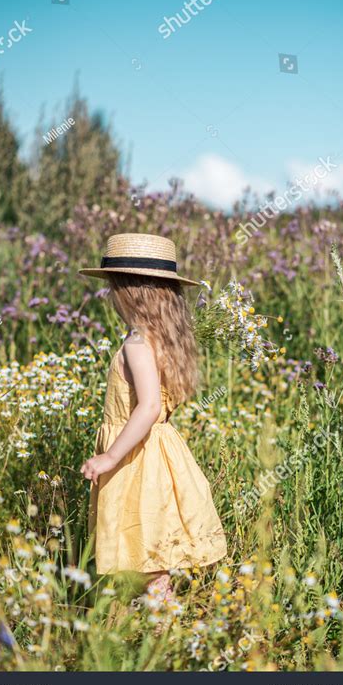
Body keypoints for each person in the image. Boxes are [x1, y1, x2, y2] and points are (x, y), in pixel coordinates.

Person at [79, 233, 227, 600]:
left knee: (145, 560)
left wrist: (109, 456)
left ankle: (165, 639)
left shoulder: (137, 344)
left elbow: (148, 407)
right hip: (152, 451)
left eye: (113, 287)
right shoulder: (162, 338)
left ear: (128, 290)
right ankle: (155, 637)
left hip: (136, 459)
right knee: (146, 558)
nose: (111, 296)